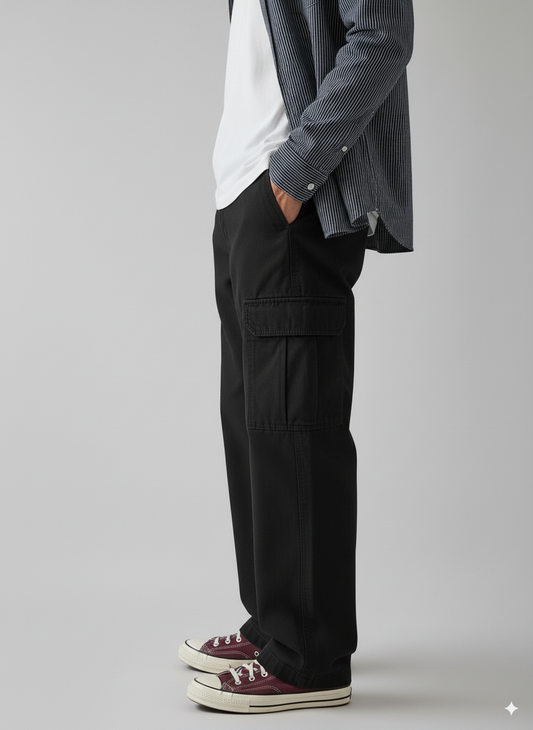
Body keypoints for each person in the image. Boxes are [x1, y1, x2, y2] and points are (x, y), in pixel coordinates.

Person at [179, 0, 414, 714]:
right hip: (244, 197)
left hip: (294, 194)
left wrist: (293, 172)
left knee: (295, 424)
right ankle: (274, 625)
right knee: (254, 422)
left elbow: (382, 37)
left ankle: (309, 657)